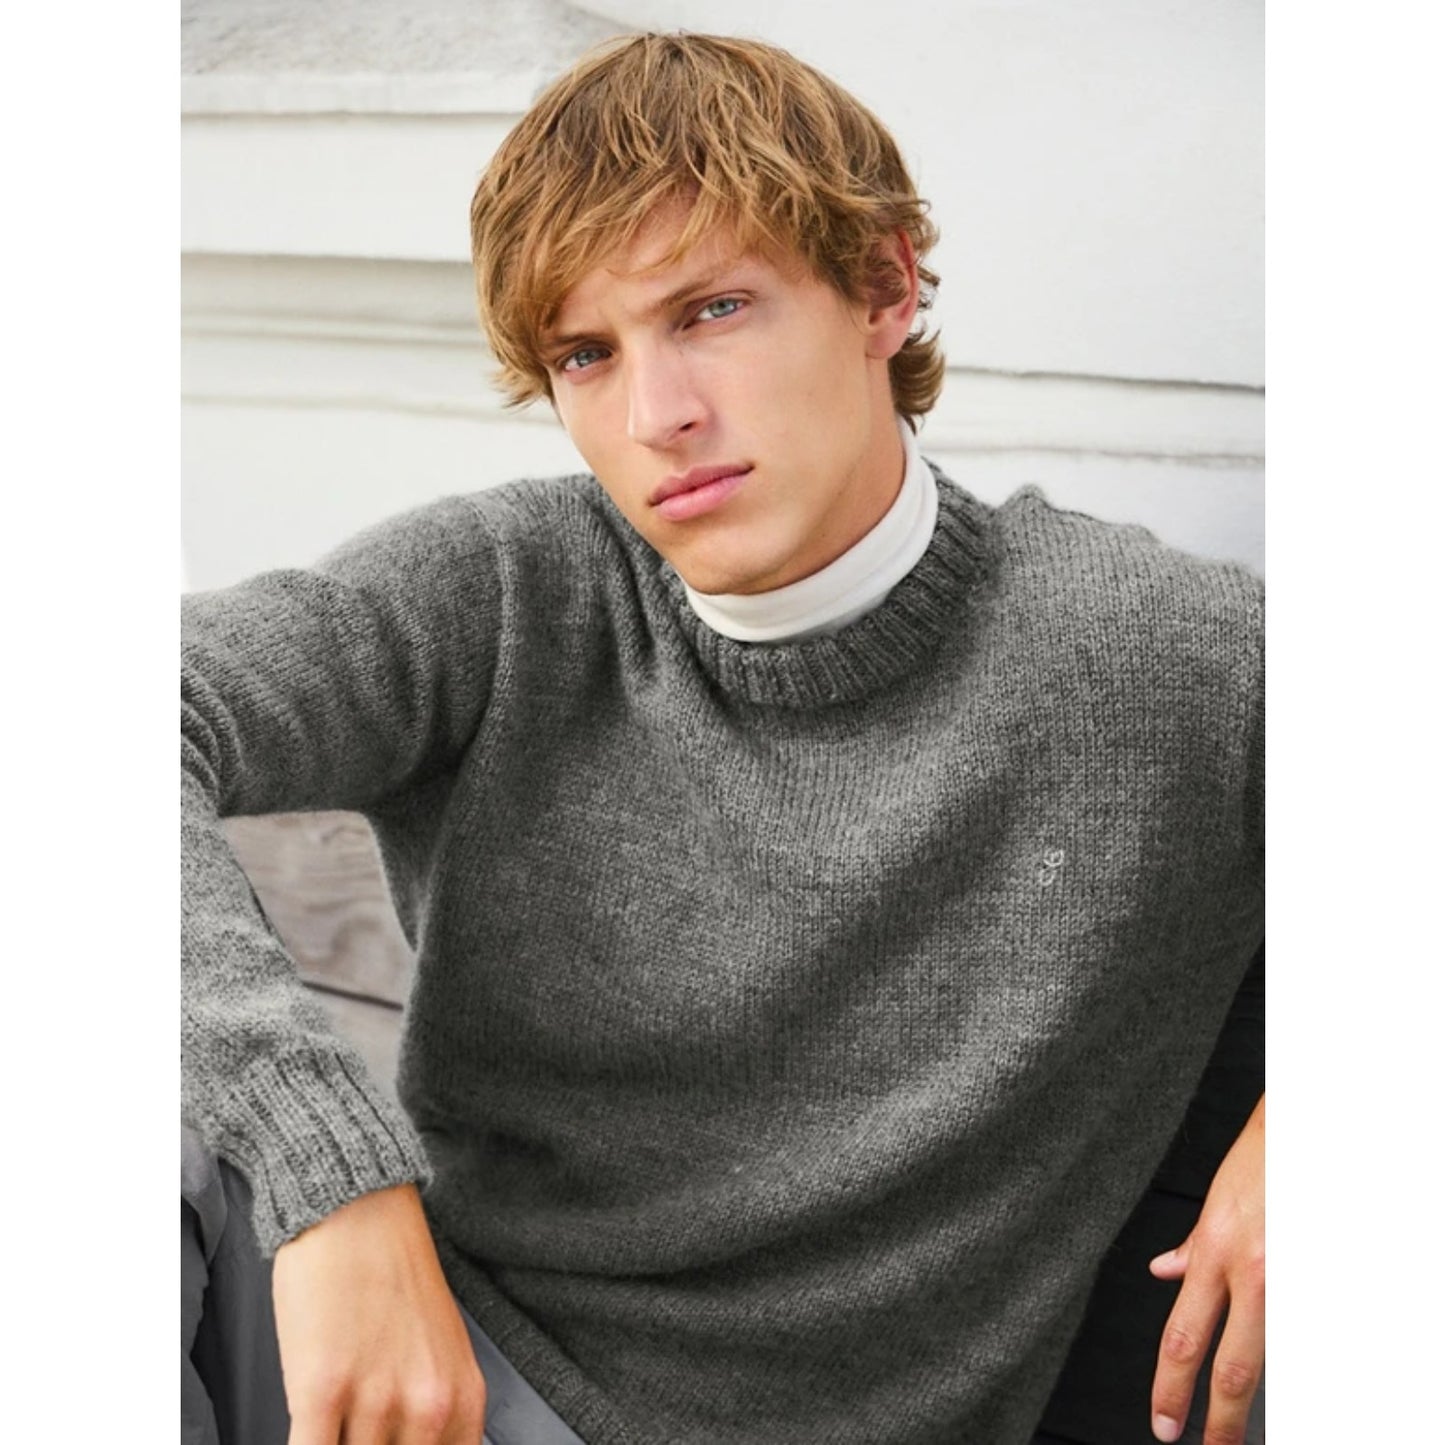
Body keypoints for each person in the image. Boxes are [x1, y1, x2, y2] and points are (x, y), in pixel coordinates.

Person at [181, 32, 1264, 1445]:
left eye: (712, 310)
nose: (657, 417)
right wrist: (331, 1178)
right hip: (396, 1355)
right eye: (586, 353)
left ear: (884, 287)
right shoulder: (507, 589)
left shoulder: (1156, 656)